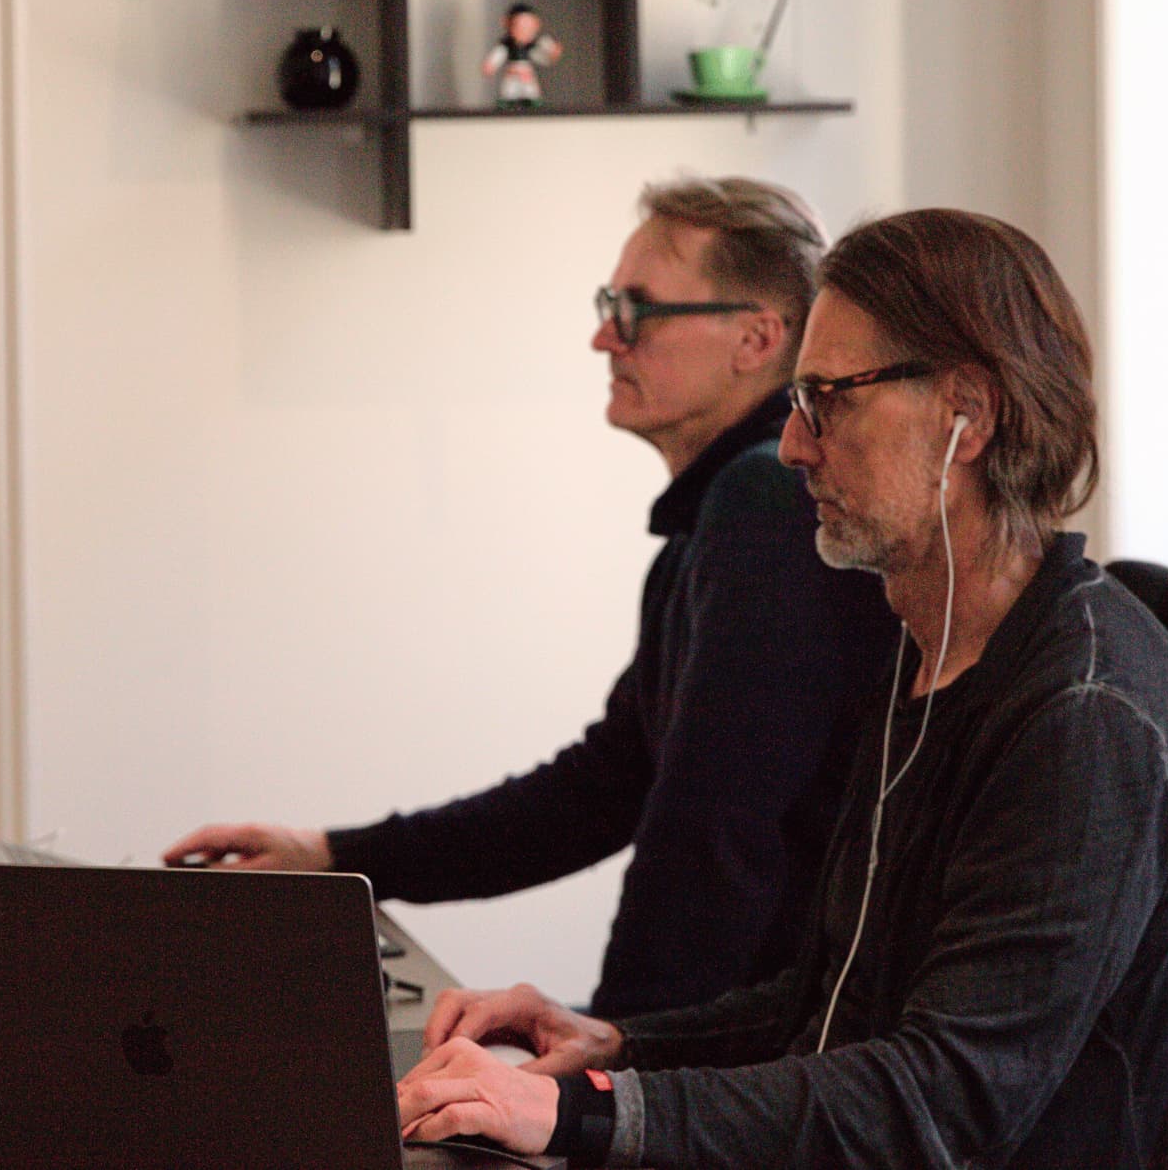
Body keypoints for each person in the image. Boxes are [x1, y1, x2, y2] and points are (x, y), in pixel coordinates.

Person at [394, 208, 1168, 1168]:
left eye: (829, 399)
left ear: (971, 413)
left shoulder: (1086, 718)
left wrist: (588, 1117)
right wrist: (613, 1048)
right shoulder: (934, 652)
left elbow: (943, 1097)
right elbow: (828, 1000)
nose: (795, 446)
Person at [164, 177, 898, 1019]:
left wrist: (615, 1071)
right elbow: (609, 783)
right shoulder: (722, 518)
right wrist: (334, 855)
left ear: (756, 338)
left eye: (636, 309)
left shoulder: (763, 499)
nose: (602, 337)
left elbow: (710, 840)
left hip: (768, 1068)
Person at [481, 2, 563, 107]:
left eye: (528, 27)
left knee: (530, 91)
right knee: (509, 91)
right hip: (512, 73)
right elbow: (498, 56)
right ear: (508, 24)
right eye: (520, 26)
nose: (524, 30)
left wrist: (552, 56)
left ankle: (532, 104)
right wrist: (491, 65)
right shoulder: (506, 46)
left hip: (527, 74)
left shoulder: (531, 47)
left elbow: (541, 59)